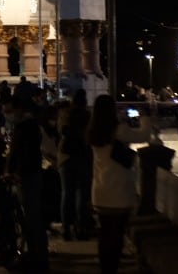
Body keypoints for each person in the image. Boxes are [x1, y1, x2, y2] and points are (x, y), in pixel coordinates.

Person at [88, 94, 151, 274]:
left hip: (100, 191)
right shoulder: (118, 130)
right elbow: (144, 135)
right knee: (117, 236)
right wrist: (144, 117)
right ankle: (112, 268)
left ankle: (105, 268)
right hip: (119, 192)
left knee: (105, 234)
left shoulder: (93, 132)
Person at [3, 96, 48, 272]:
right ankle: (35, 256)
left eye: (10, 111)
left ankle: (38, 259)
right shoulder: (28, 125)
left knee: (32, 220)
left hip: (28, 177)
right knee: (30, 219)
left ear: (19, 109)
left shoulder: (26, 127)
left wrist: (15, 172)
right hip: (29, 175)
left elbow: (22, 153)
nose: (8, 114)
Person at [57, 91, 93, 241]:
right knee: (82, 194)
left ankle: (66, 228)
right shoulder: (87, 115)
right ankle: (81, 227)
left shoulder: (64, 114)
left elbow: (61, 132)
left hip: (65, 156)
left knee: (67, 193)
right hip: (82, 155)